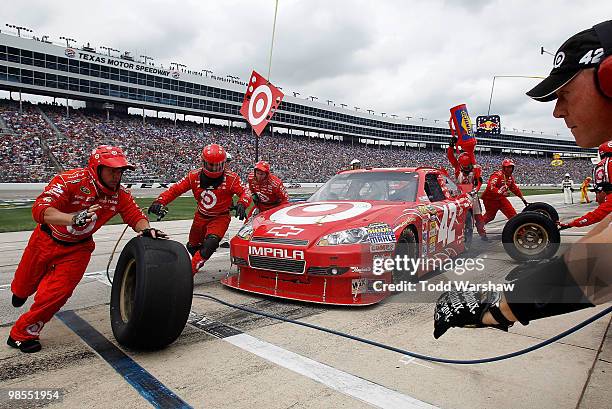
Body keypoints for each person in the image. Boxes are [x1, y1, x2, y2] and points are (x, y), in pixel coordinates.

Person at [433, 20, 612, 338]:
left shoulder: (498, 175)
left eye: (565, 94)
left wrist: (499, 307)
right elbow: (606, 235)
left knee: (496, 219)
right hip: (484, 198)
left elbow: (605, 262)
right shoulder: (487, 173)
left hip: (491, 200)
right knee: (485, 218)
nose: (558, 112)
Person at [8, 145, 166, 353]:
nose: (117, 175)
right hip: (44, 240)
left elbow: (135, 216)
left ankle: (22, 333)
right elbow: (40, 210)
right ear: (96, 168)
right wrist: (73, 218)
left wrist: (146, 230)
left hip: (77, 250)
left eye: (120, 171)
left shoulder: (120, 195)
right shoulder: (69, 180)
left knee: (56, 295)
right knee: (22, 287)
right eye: (112, 170)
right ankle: (21, 291)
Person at [148, 144, 251, 275]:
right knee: (192, 247)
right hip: (200, 217)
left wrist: (243, 203)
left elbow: (246, 192)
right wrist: (160, 201)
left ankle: (187, 273)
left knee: (211, 243)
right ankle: (196, 258)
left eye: (218, 166)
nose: (214, 169)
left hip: (220, 217)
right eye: (210, 165)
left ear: (224, 164)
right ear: (203, 162)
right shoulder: (193, 176)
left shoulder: (232, 178)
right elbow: (175, 190)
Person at [446, 139, 488, 240]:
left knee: (478, 217)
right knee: (460, 218)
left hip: (473, 196)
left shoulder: (476, 169)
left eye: (467, 166)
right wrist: (451, 146)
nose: (465, 169)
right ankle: (458, 237)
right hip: (460, 196)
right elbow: (451, 157)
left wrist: (476, 189)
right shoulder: (457, 169)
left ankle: (482, 234)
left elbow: (479, 182)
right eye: (463, 167)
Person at [559, 158, 612, 229]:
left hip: (581, 190)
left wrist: (571, 224)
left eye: (598, 192)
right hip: (581, 190)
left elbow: (595, 216)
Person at [480, 159, 529, 224]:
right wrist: (502, 192)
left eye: (511, 167)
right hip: (490, 199)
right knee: (490, 216)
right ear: (504, 168)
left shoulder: (510, 178)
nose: (510, 169)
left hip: (501, 199)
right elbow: (490, 187)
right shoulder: (497, 175)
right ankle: (478, 226)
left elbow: (515, 189)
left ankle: (520, 231)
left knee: (513, 215)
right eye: (508, 167)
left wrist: (523, 199)